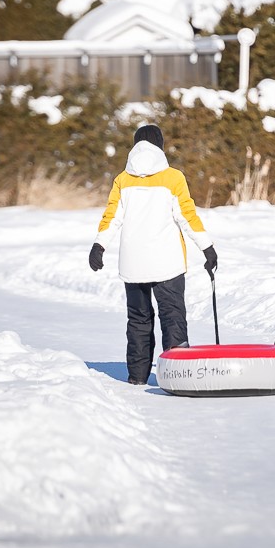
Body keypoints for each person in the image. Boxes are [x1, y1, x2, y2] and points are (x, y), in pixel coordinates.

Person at [88, 123, 218, 385]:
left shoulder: (123, 179)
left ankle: (137, 376)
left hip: (133, 264)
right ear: (160, 144)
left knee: (138, 319)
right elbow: (186, 216)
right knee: (172, 317)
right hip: (167, 263)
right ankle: (178, 376)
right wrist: (207, 247)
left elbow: (111, 217)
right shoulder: (173, 177)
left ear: (135, 145)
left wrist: (99, 245)